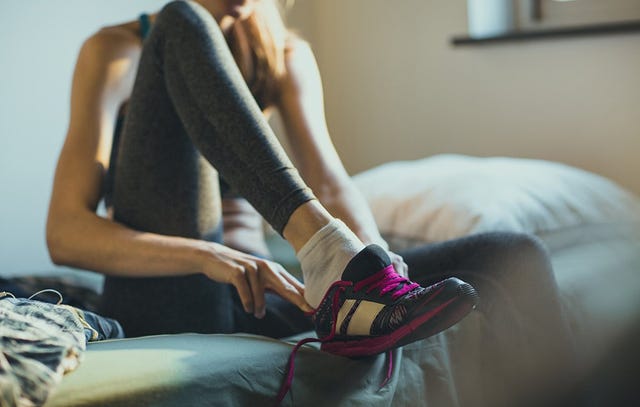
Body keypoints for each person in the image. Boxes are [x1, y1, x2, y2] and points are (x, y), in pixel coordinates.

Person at [46, 1, 575, 402]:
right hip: (172, 290)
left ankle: (345, 274)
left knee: (512, 254)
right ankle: (327, 256)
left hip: (265, 299)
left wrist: (376, 258)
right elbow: (66, 233)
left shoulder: (281, 54)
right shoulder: (115, 51)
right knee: (181, 24)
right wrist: (209, 257)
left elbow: (329, 182)